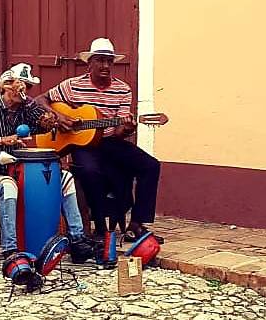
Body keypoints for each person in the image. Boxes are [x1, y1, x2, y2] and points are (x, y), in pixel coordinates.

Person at [0, 63, 94, 279]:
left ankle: (77, 240)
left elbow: (42, 120)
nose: (24, 90)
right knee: (8, 185)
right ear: (6, 86)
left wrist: (49, 118)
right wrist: (0, 141)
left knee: (66, 178)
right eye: (20, 85)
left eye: (28, 87)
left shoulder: (26, 108)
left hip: (20, 174)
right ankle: (11, 251)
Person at [35, 38, 168, 240]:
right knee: (89, 171)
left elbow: (118, 132)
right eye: (100, 60)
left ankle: (137, 223)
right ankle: (99, 227)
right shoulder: (73, 86)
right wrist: (60, 117)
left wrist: (127, 129)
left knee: (150, 165)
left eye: (109, 61)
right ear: (90, 63)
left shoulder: (122, 89)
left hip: (109, 141)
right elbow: (39, 100)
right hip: (81, 144)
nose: (105, 66)